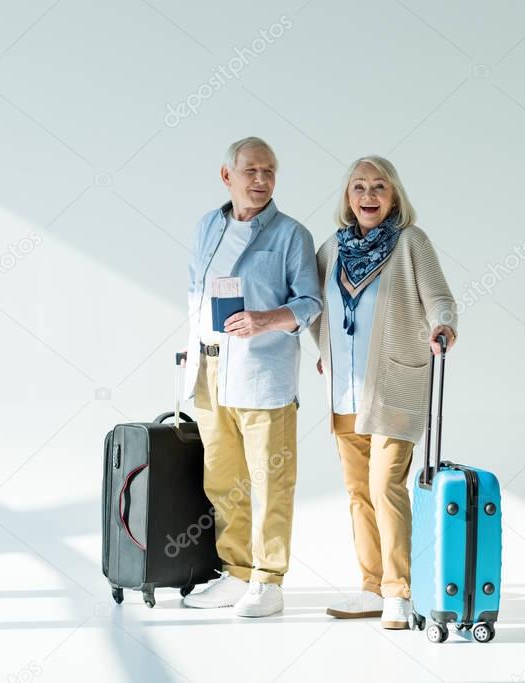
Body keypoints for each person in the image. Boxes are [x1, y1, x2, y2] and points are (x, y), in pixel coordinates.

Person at [310, 155, 457, 629]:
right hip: (343, 392)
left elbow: (439, 297)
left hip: (394, 382)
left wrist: (443, 327)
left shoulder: (411, 242)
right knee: (358, 492)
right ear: (347, 197)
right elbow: (317, 309)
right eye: (359, 187)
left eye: (378, 187)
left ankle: (400, 590)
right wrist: (325, 351)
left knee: (384, 485)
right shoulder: (331, 248)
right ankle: (371, 587)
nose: (368, 196)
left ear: (394, 196)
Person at [180, 136, 321, 617]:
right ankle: (236, 572)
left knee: (270, 480)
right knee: (222, 479)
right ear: (228, 176)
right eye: (251, 172)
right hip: (210, 367)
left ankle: (269, 580)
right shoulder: (207, 227)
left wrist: (264, 319)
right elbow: (196, 294)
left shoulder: (291, 234)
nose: (260, 181)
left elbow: (310, 302)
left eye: (269, 172)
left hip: (263, 370)